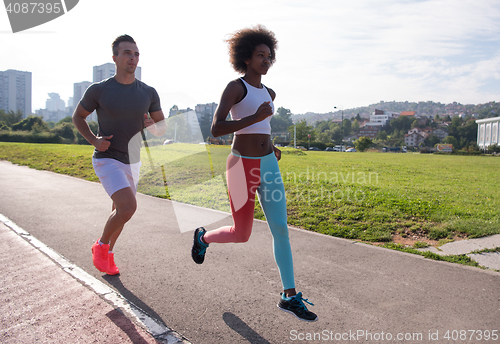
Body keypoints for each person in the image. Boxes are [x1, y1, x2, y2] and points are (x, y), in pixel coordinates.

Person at [191, 25, 317, 322]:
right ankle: (203, 238)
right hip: (240, 166)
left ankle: (289, 295)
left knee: (280, 229)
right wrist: (253, 118)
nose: (267, 60)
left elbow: (264, 128)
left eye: (270, 55)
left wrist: (270, 145)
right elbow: (216, 129)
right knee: (242, 233)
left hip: (268, 166)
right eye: (261, 55)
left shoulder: (270, 92)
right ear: (246, 58)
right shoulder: (236, 88)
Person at [73, 34, 166, 275]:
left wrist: (150, 125)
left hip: (132, 161)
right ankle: (101, 246)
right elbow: (78, 116)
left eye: (136, 54)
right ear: (115, 57)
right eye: (127, 53)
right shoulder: (99, 90)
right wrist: (94, 139)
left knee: (119, 211)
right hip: (107, 158)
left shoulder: (148, 92)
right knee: (127, 208)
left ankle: (107, 256)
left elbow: (161, 128)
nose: (132, 58)